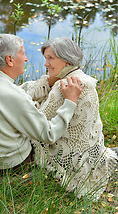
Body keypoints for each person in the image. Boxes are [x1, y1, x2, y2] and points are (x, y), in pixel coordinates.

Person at [0, 34, 83, 174]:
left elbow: (13, 92)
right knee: (47, 141)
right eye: (23, 54)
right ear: (10, 60)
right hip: (4, 164)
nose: (26, 58)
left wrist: (45, 83)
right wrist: (70, 101)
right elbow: (49, 134)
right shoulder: (12, 95)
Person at [21, 37, 118, 200]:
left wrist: (39, 96)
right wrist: (49, 81)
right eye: (45, 59)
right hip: (89, 150)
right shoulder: (84, 79)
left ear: (66, 60)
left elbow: (36, 122)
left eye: (50, 58)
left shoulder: (64, 86)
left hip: (68, 156)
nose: (46, 64)